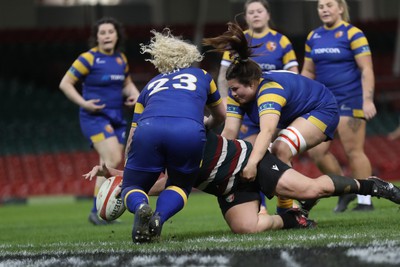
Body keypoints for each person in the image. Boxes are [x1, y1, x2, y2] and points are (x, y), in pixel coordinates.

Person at [84, 130, 400, 236]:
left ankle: (372, 186)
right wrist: (119, 179)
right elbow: (159, 184)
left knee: (311, 189)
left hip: (249, 164)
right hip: (229, 187)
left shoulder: (181, 137)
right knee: (247, 227)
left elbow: (163, 181)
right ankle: (292, 219)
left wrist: (121, 178)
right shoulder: (161, 157)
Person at [203, 23, 340, 196]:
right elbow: (229, 131)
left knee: (280, 148)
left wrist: (252, 164)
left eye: (236, 89)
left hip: (322, 108)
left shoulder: (269, 92)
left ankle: (292, 208)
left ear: (252, 83)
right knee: (256, 151)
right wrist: (217, 160)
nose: (232, 93)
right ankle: (297, 201)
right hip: (295, 114)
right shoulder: (237, 96)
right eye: (231, 89)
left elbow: (267, 132)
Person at [120, 29, 226, 244]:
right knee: (179, 184)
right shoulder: (203, 76)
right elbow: (221, 114)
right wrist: (206, 126)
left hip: (149, 128)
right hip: (188, 131)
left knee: (131, 187)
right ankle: (159, 218)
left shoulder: (150, 86)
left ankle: (140, 205)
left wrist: (127, 166)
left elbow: (133, 132)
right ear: (189, 56)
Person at [217, 0, 299, 214]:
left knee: (279, 154)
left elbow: (293, 73)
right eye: (250, 12)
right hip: (245, 110)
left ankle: (288, 204)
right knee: (249, 156)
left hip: (273, 109)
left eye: (259, 11)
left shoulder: (281, 41)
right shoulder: (237, 41)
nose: (255, 15)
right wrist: (225, 100)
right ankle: (259, 206)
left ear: (267, 14)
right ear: (246, 16)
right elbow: (223, 76)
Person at [59, 17, 140, 225]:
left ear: (117, 35)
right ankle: (98, 211)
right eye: (102, 33)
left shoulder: (121, 59)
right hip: (94, 117)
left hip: (117, 117)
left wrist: (135, 95)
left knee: (113, 160)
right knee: (112, 158)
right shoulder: (88, 58)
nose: (106, 36)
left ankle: (99, 211)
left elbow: (127, 85)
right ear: (96, 37)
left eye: (110, 32)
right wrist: (84, 104)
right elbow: (65, 84)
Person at [301, 0, 377, 212]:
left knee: (353, 150)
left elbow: (366, 69)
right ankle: (347, 189)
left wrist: (367, 100)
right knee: (316, 152)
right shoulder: (313, 36)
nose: (324, 9)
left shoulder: (353, 33)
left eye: (329, 5)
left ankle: (365, 201)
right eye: (320, 6)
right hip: (323, 102)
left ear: (341, 8)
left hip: (350, 99)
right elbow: (308, 72)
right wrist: (302, 97)